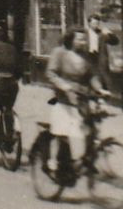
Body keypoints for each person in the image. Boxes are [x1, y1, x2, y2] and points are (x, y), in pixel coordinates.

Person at [45, 28, 107, 178]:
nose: (83, 42)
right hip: (64, 98)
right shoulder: (59, 53)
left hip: (82, 98)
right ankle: (52, 162)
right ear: (71, 40)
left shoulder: (85, 57)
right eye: (79, 39)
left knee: (88, 131)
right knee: (60, 132)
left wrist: (100, 89)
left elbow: (91, 76)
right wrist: (63, 86)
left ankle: (83, 162)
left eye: (84, 39)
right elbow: (50, 73)